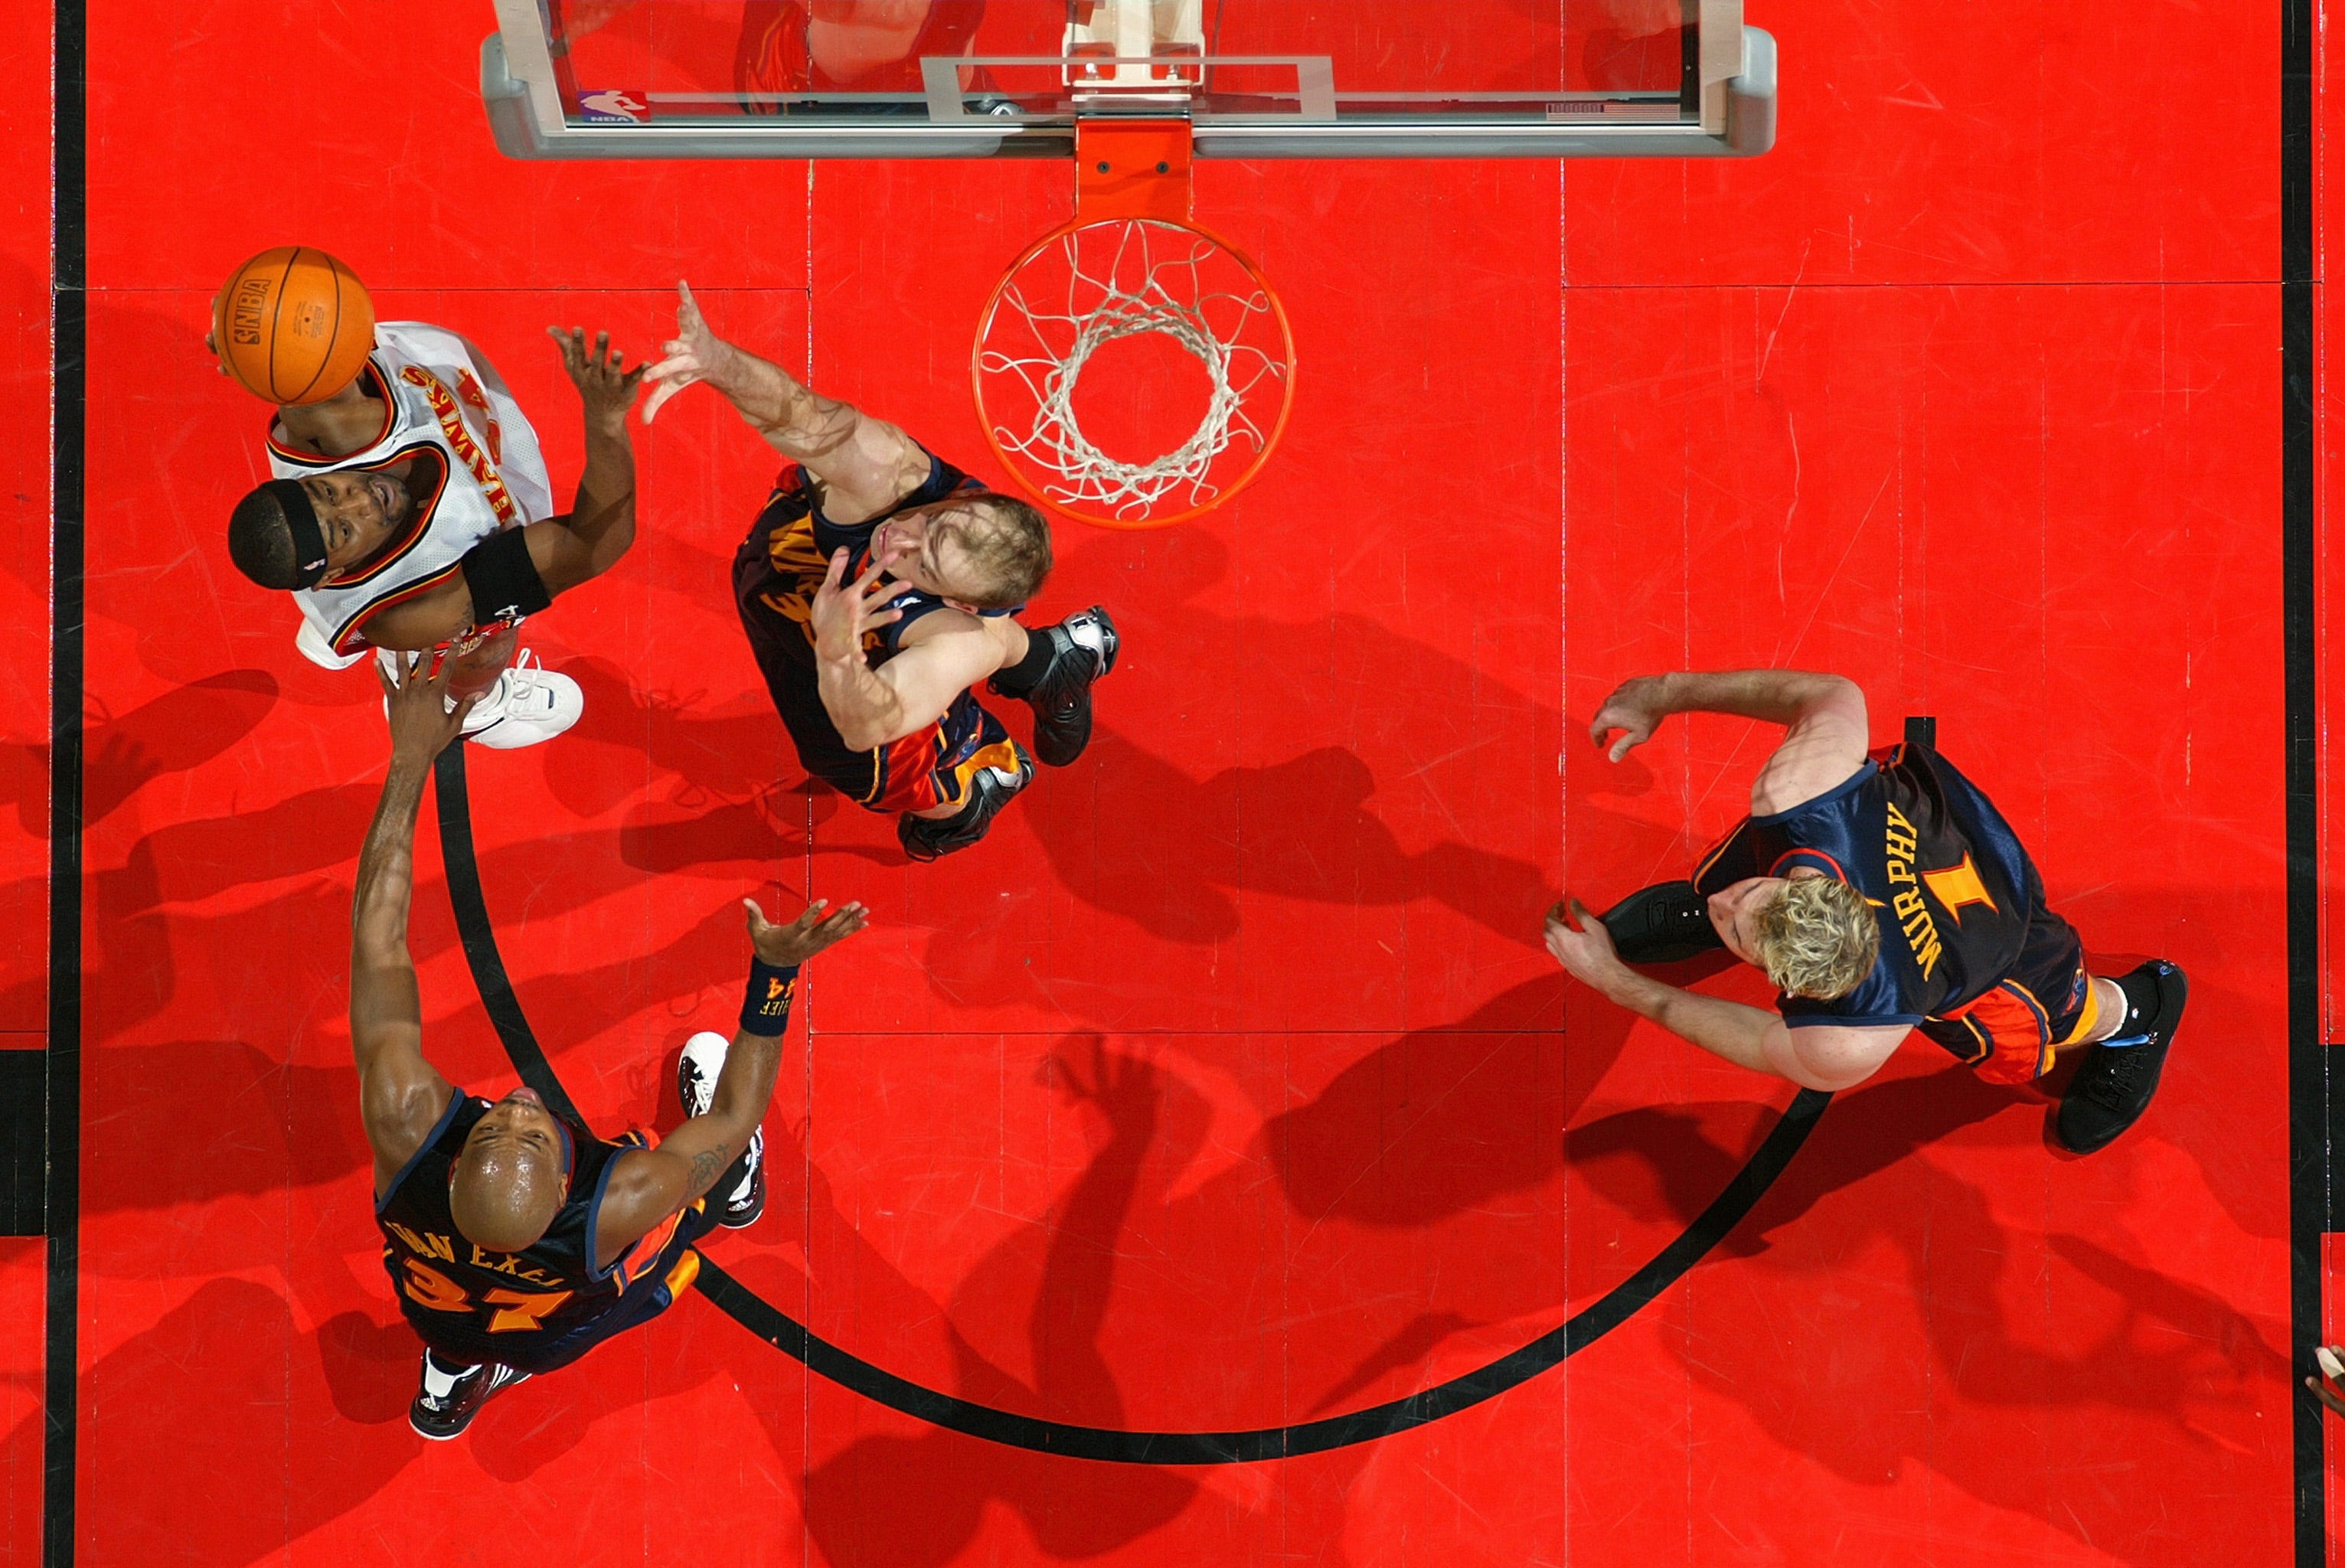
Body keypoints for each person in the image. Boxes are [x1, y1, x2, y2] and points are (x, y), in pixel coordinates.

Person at [351, 656, 869, 1437]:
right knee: (686, 1200)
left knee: (453, 1327)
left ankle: (451, 1375)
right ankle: (729, 1197)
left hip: (444, 1311)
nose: (521, 1101)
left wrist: (408, 759)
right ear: (567, 1179)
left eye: (498, 1119)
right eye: (531, 1128)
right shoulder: (617, 1200)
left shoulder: (404, 1121)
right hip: (553, 1329)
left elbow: (378, 940)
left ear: (454, 1163)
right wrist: (775, 974)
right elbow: (731, 1115)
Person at [1541, 669, 2187, 1154]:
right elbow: (1828, 693)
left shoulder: (1850, 1036)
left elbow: (1754, 1039)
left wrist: (1613, 982)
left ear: (1788, 985)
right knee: (1753, 841)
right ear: (1811, 882)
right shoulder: (1806, 790)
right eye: (1746, 901)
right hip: (1931, 834)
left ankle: (2140, 1013)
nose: (1723, 901)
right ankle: (1742, 914)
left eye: (1733, 925)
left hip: (1995, 938)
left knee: (2047, 1023)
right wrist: (1664, 692)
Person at [640, 280, 1118, 861]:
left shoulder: (956, 639)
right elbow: (806, 420)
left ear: (959, 604)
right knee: (784, 550)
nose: (904, 538)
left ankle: (970, 795)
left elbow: (867, 725)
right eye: (935, 524)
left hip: (856, 656)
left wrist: (838, 651)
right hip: (799, 560)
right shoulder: (897, 477)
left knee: (854, 767)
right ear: (962, 501)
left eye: (925, 560)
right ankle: (1049, 663)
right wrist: (721, 364)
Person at [219, 322, 644, 750]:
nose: (363, 500)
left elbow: (307, 327)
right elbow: (591, 546)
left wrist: (262, 339)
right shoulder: (413, 613)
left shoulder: (327, 421)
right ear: (338, 569)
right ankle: (476, 710)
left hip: (444, 460)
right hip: (405, 591)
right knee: (486, 646)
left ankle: (333, 611)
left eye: (329, 491)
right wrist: (605, 422)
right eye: (344, 530)